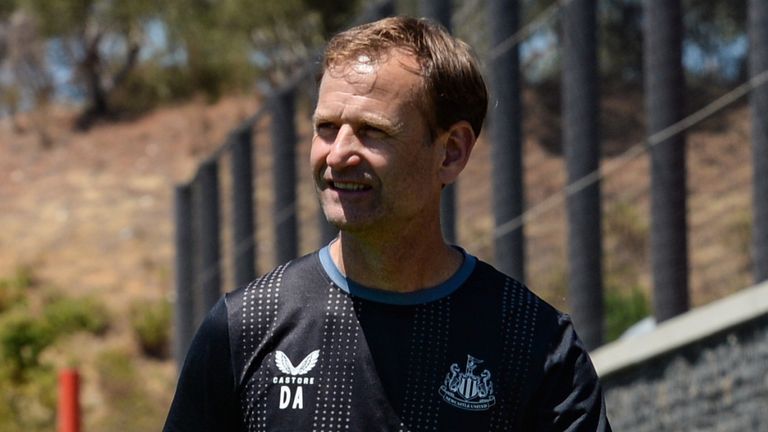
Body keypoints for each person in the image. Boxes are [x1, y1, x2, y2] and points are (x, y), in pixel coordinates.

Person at [164, 16, 611, 432]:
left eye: (372, 130)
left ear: (451, 151)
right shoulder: (245, 327)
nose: (337, 154)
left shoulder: (534, 343)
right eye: (326, 127)